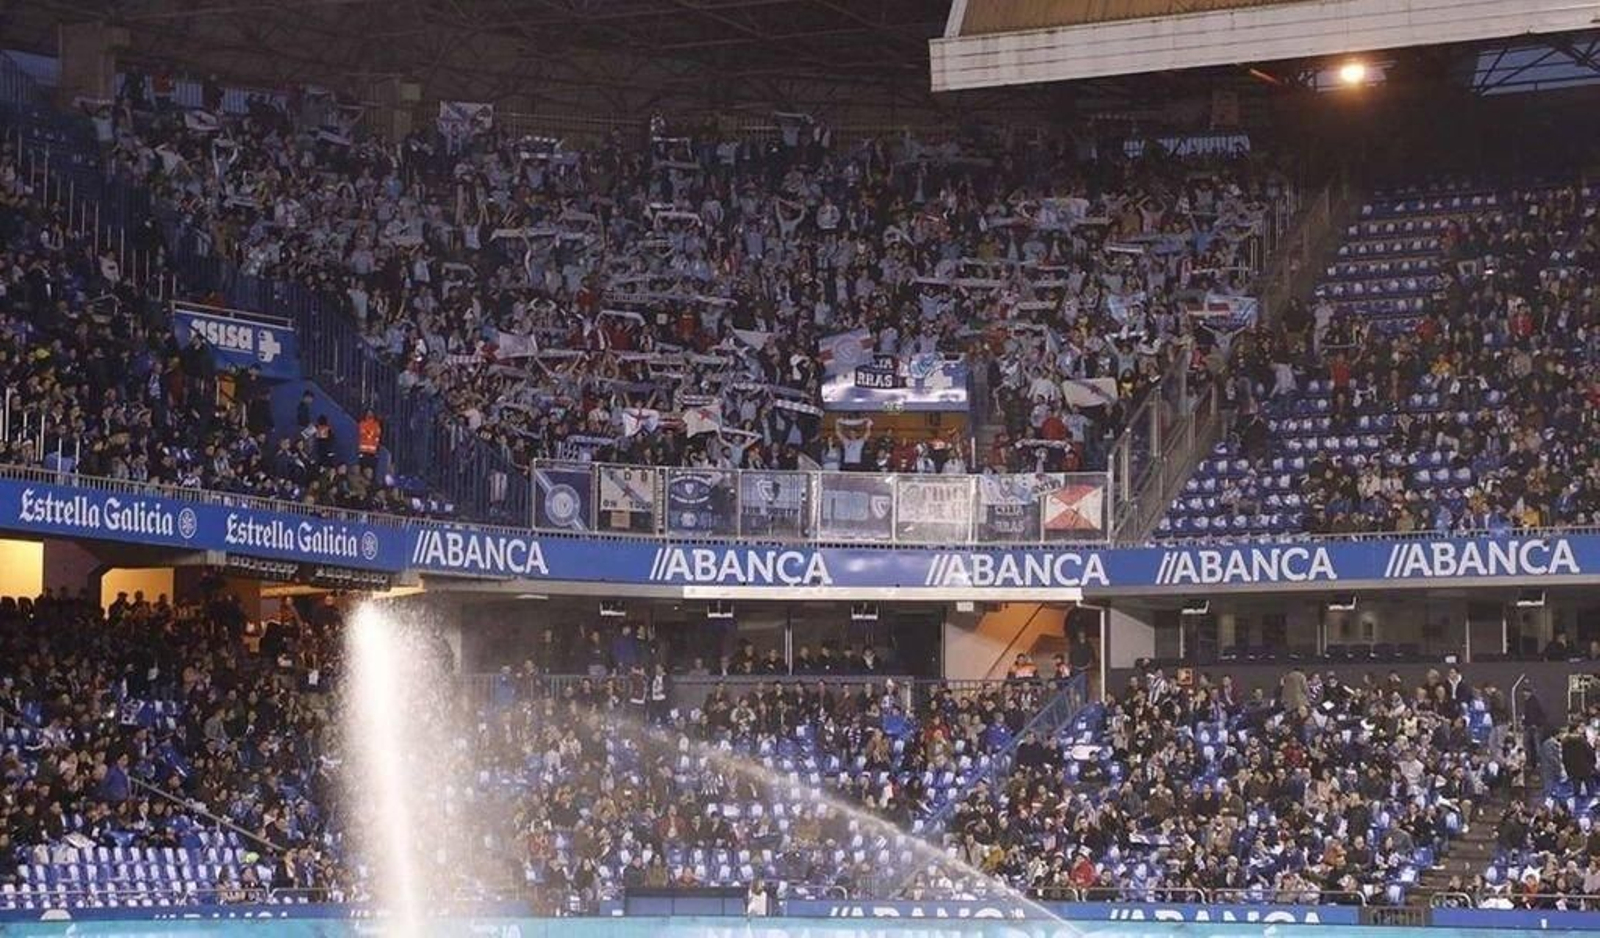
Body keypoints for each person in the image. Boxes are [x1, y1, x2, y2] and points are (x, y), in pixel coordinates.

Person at [357, 408, 383, 474]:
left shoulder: (376, 424)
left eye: (371, 413)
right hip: (363, 451)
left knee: (372, 470)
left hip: (373, 451)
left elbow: (378, 435)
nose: (370, 414)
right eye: (368, 413)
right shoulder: (362, 423)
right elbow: (363, 433)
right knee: (363, 469)